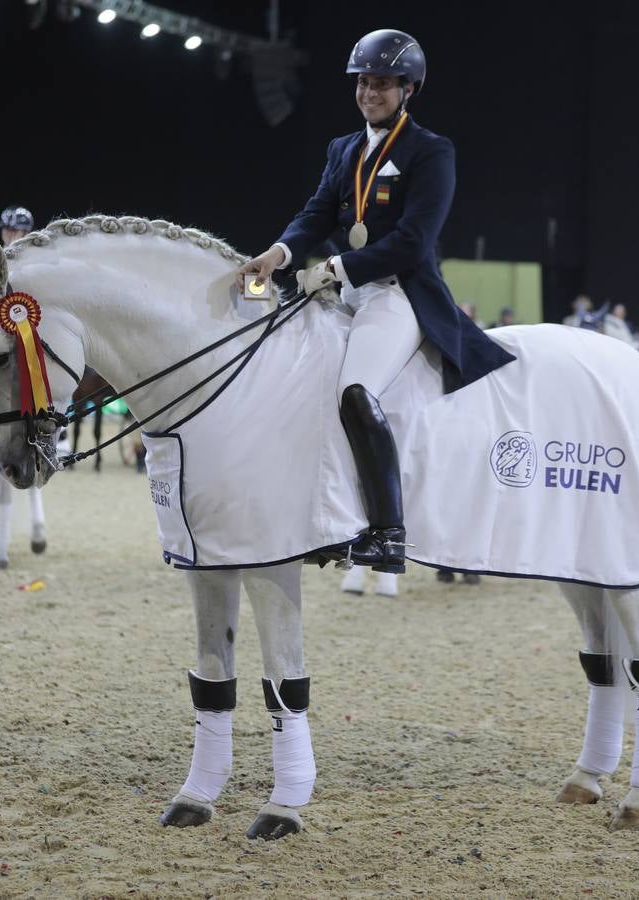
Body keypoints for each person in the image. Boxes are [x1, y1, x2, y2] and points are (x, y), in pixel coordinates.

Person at [235, 28, 514, 572]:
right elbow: (316, 214)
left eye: (383, 84)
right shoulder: (343, 148)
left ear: (409, 89)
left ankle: (388, 531)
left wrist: (338, 267)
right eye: (364, 83)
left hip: (399, 293)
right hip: (346, 293)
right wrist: (278, 255)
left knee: (356, 391)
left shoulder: (431, 152)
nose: (370, 93)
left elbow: (414, 241)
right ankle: (322, 518)